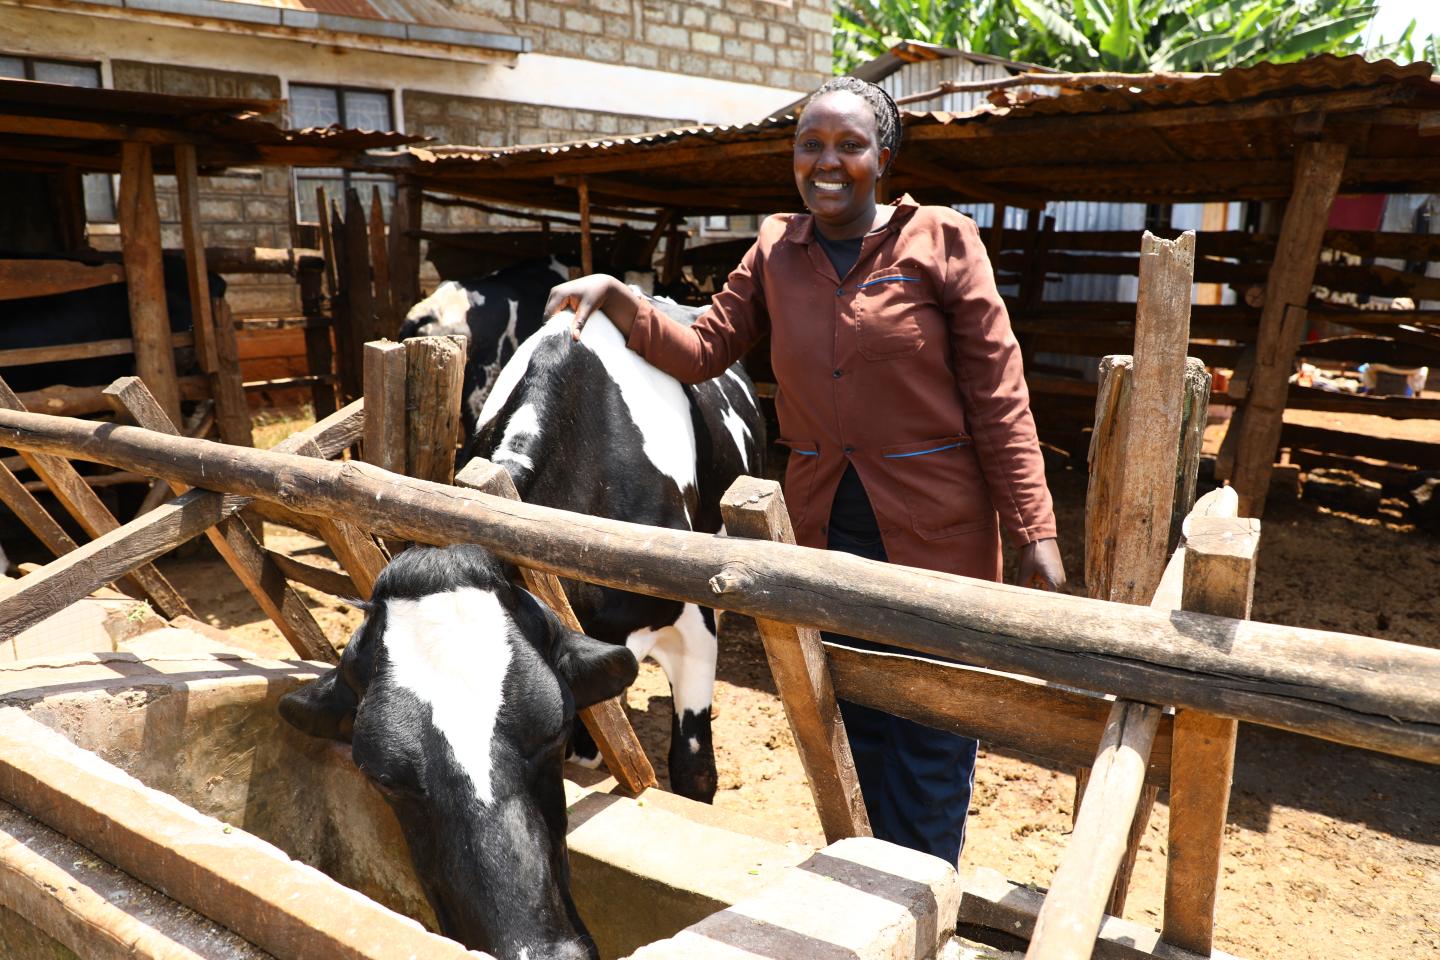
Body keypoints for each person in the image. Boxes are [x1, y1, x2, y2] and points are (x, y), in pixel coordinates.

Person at [544, 76, 1066, 866]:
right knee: (851, 722)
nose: (828, 161)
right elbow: (704, 350)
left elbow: (1000, 398)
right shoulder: (776, 251)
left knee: (929, 730)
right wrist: (621, 299)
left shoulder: (944, 243)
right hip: (827, 533)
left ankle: (921, 891)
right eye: (810, 145)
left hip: (936, 537)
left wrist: (1035, 535)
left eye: (850, 145)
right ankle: (868, 894)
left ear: (882, 158)